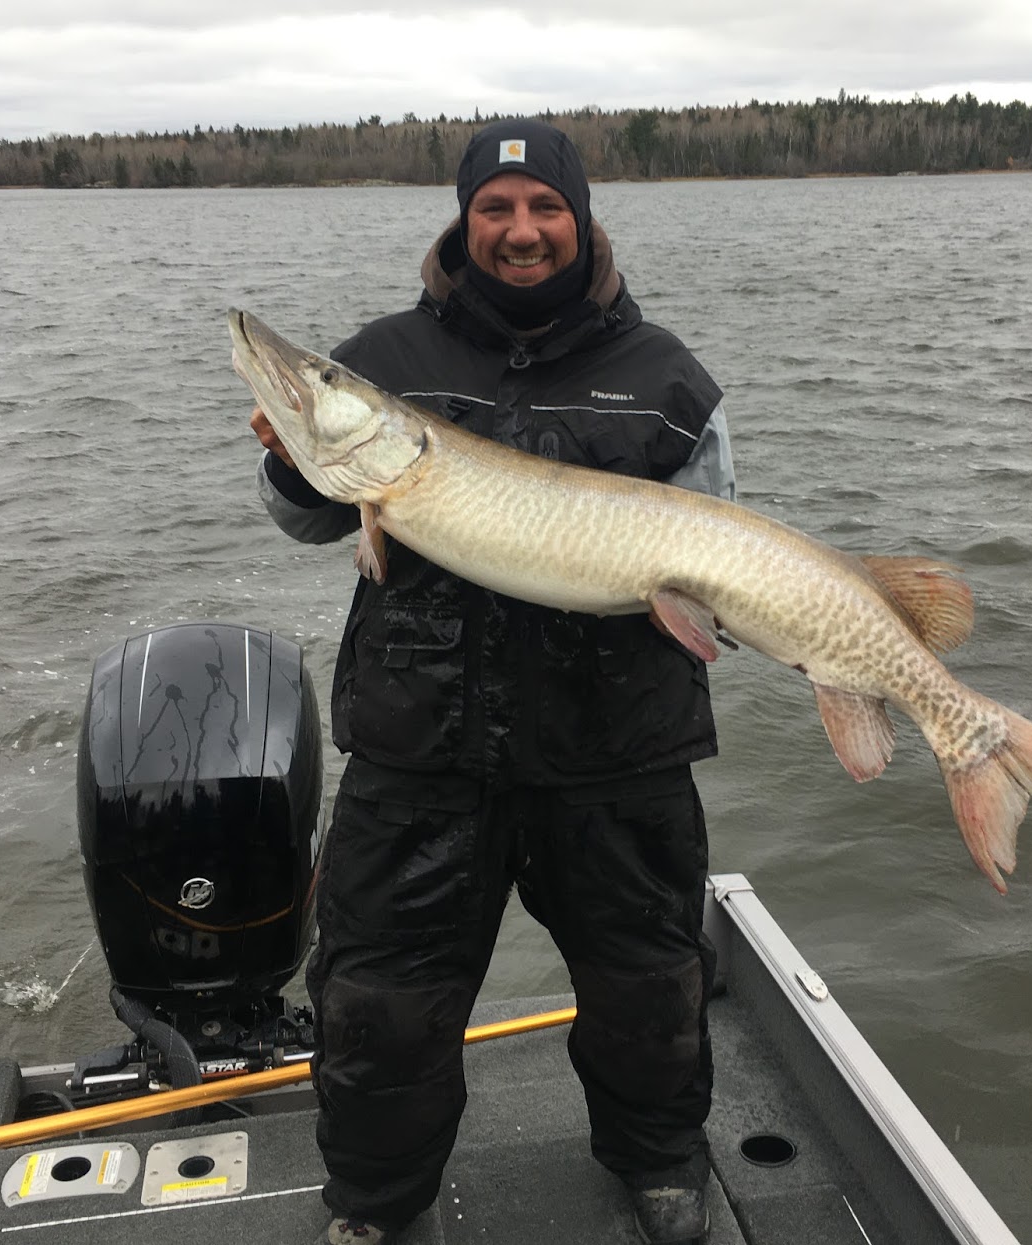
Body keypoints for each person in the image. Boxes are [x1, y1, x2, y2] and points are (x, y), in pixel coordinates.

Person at [252, 119, 735, 1245]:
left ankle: (660, 1163)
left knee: (649, 986)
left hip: (618, 751)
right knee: (380, 1005)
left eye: (543, 208)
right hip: (422, 747)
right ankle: (376, 1205)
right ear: (464, 223)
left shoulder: (668, 377)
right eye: (496, 210)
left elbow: (723, 551)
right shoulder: (381, 358)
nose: (521, 231)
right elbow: (306, 519)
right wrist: (292, 457)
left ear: (580, 218)